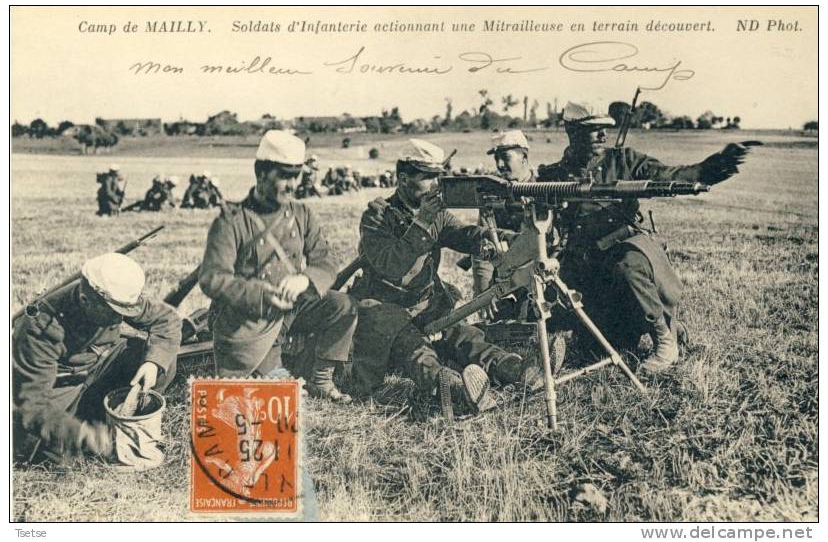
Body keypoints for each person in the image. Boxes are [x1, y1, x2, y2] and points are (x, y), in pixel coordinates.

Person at [537, 101, 755, 373]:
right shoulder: (552, 175)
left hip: (625, 252)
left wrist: (715, 166)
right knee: (598, 343)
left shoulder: (625, 161)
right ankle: (661, 327)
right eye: (593, 130)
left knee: (629, 265)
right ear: (572, 132)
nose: (602, 135)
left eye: (605, 129)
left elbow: (671, 176)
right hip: (587, 266)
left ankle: (664, 339)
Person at [350, 139, 541, 412]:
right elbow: (390, 265)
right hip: (386, 309)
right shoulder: (377, 215)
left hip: (426, 305)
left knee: (464, 336)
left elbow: (462, 233)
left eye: (438, 176)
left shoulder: (435, 213)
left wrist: (490, 239)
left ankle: (519, 371)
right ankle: (457, 391)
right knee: (417, 351)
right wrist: (423, 222)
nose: (435, 184)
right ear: (403, 180)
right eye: (427, 177)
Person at [198, 130, 357, 402]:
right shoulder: (232, 221)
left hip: (294, 308)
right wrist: (261, 294)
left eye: (296, 175)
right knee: (272, 399)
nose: (292, 184)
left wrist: (306, 280)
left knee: (343, 306)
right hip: (250, 320)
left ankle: (321, 378)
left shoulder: (302, 214)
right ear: (260, 173)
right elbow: (212, 278)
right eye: (284, 175)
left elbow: (326, 260)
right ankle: (275, 366)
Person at [12, 253, 181, 462]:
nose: (122, 318)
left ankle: (120, 423)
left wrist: (152, 363)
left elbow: (167, 319)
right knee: (62, 461)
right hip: (58, 388)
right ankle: (87, 428)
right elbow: (32, 404)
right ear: (86, 301)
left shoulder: (110, 296)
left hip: (97, 368)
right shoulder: (38, 327)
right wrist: (81, 434)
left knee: (159, 359)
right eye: (115, 312)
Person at [472, 130, 537, 322]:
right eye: (496, 159)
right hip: (505, 277)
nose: (500, 166)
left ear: (524, 157)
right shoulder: (493, 194)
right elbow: (482, 249)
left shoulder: (547, 188)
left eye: (505, 158)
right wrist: (483, 294)